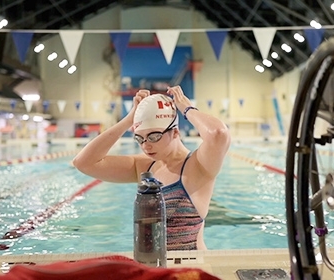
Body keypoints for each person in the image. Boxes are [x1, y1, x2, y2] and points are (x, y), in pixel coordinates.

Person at [72, 85, 231, 250]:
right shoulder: (144, 167)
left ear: (175, 132)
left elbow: (218, 133)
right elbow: (83, 163)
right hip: (151, 267)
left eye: (154, 136)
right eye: (140, 138)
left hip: (190, 269)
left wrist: (187, 108)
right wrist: (128, 120)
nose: (146, 146)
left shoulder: (197, 165)